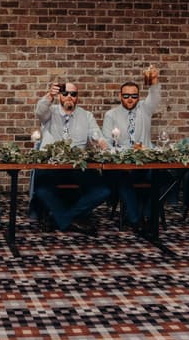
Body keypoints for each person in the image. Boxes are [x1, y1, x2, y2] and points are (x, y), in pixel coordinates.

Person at [33, 81, 110, 235]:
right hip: (52, 165)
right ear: (60, 96)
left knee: (103, 190)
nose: (69, 96)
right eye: (65, 93)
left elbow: (97, 136)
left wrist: (102, 144)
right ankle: (72, 220)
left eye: (73, 94)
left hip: (77, 167)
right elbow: (39, 111)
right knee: (41, 190)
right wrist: (50, 96)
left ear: (77, 97)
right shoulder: (50, 112)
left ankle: (60, 219)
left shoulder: (86, 116)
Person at [102, 69, 161, 232]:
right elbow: (107, 142)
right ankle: (135, 219)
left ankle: (148, 215)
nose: (130, 99)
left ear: (139, 97)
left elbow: (155, 97)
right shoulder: (110, 115)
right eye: (126, 96)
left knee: (161, 178)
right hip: (124, 164)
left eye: (134, 96)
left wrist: (154, 80)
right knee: (122, 179)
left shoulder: (145, 109)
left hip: (146, 162)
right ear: (120, 96)